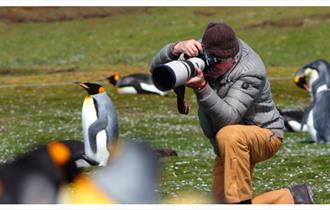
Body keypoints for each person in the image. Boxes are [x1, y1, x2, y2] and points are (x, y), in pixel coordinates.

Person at [150, 22, 313, 204]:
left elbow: (229, 118)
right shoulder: (201, 50)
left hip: (264, 134)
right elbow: (156, 71)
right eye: (211, 57)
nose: (212, 65)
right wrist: (174, 49)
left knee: (230, 135)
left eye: (219, 60)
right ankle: (292, 199)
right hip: (227, 144)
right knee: (221, 204)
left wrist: (202, 87)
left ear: (233, 57)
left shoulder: (251, 69)